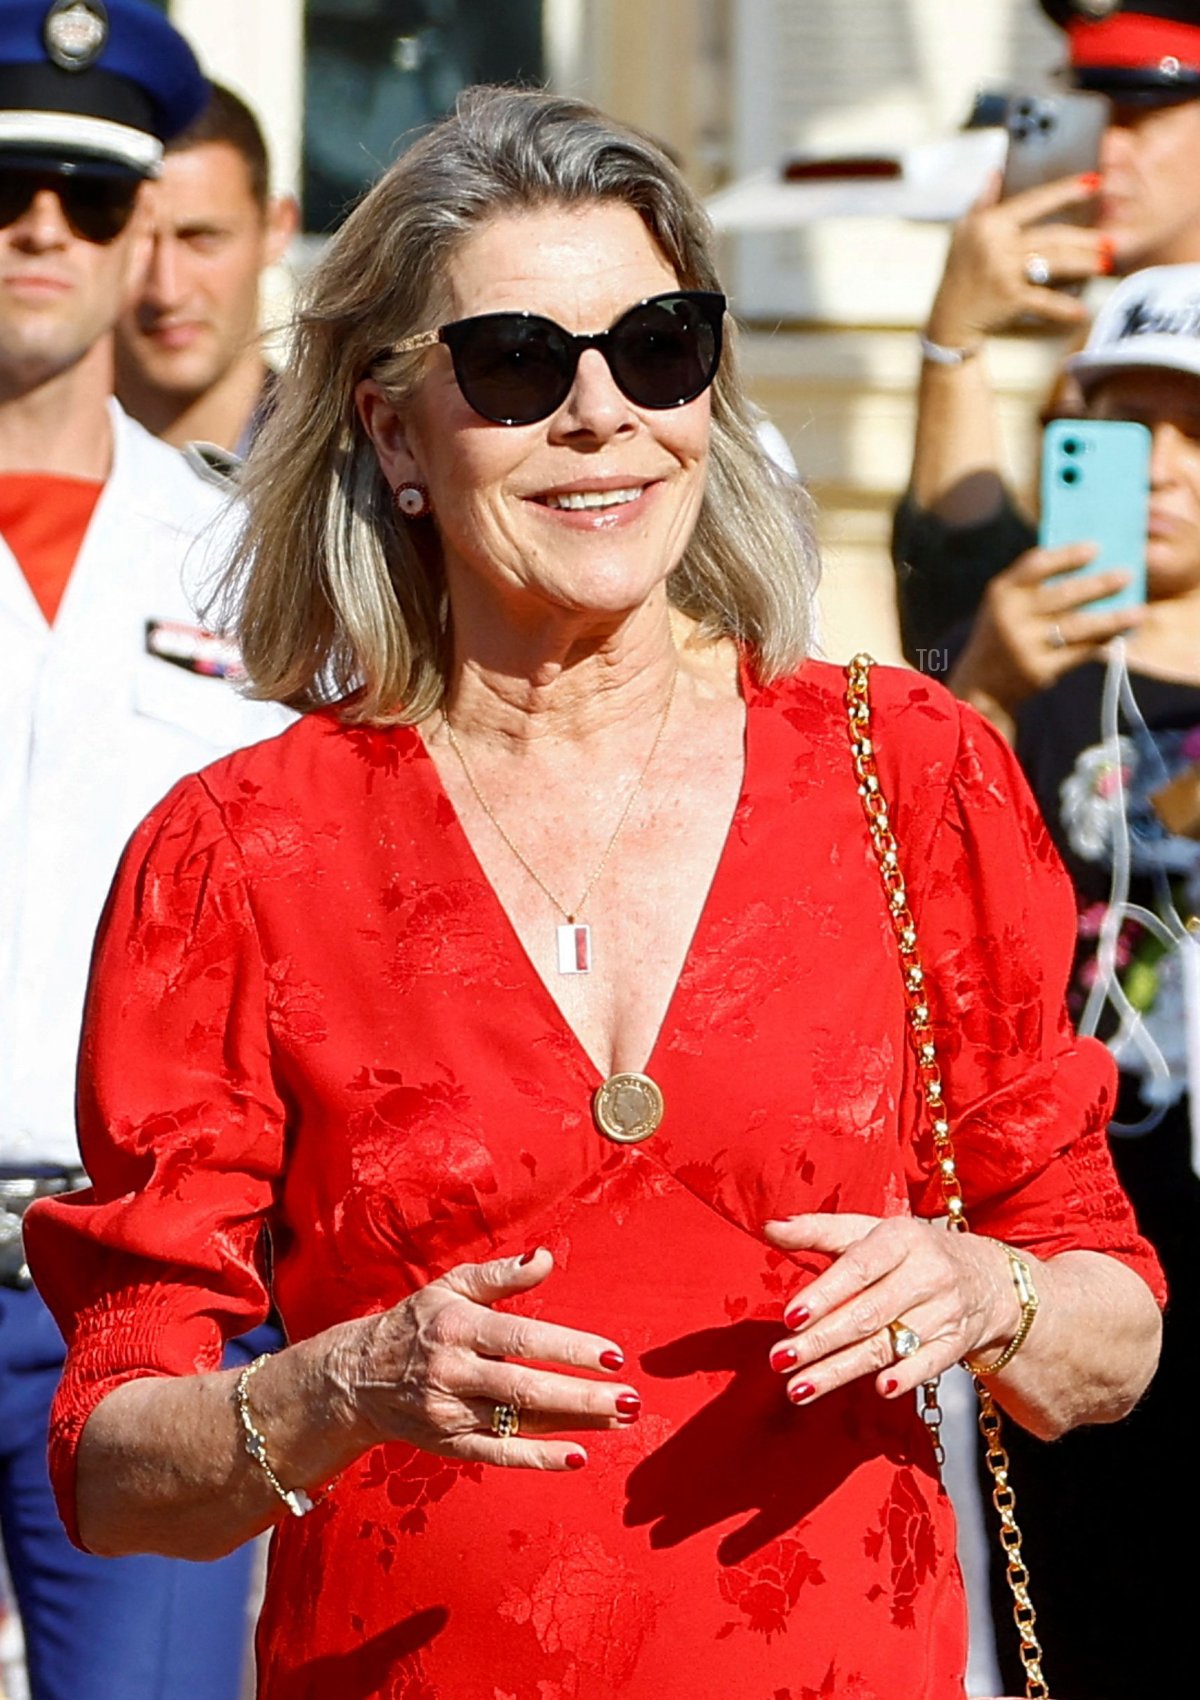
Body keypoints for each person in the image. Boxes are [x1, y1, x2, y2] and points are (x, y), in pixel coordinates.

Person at [24, 86, 1163, 1700]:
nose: (601, 416)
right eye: (514, 365)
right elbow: (116, 1461)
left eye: (659, 348)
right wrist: (342, 1385)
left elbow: (1112, 1325)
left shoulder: (904, 772)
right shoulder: (241, 852)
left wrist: (994, 1289)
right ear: (390, 430)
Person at [0, 4, 289, 1698]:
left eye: (91, 201)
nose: (44, 228)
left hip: (148, 1290)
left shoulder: (262, 565)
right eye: (8, 186)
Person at [947, 262, 1200, 1697]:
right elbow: (893, 904)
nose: (1161, 466)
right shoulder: (1006, 658)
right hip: (1073, 1253)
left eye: (1196, 430)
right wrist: (982, 685)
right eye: (1125, 425)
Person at [894, 0, 1200, 665]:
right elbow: (950, 628)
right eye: (1087, 114)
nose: (1104, 150)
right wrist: (954, 341)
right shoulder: (1091, 338)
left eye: (1139, 117)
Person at [114, 81, 299, 458]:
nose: (167, 291)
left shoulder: (370, 473)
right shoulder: (29, 471)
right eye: (136, 242)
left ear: (277, 228)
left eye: (202, 239)